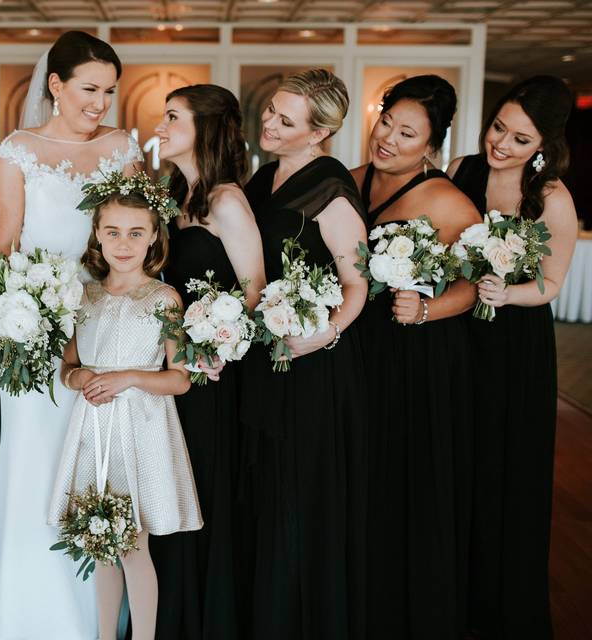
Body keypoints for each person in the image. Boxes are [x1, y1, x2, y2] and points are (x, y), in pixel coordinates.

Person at [0, 31, 141, 639]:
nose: (100, 102)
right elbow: (5, 249)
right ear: (55, 85)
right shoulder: (17, 151)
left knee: (101, 470)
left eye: (109, 91)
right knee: (32, 466)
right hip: (38, 327)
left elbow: (136, 235)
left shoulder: (120, 147)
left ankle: (95, 622)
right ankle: (28, 618)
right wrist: (24, 314)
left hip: (108, 325)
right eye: (89, 88)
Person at [240, 68, 369, 640]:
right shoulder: (263, 177)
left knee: (300, 488)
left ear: (318, 134)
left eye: (285, 121)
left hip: (312, 361)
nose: (268, 122)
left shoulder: (333, 189)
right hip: (262, 357)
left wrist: (327, 332)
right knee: (264, 482)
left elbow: (359, 282)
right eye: (270, 110)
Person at [350, 74, 480, 640]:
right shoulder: (350, 180)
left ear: (430, 146)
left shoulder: (446, 200)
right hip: (351, 353)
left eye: (407, 133)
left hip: (408, 362)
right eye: (386, 121)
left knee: (394, 487)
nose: (389, 139)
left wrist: (426, 311)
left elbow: (475, 285)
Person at [448, 75, 577, 640]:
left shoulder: (550, 197)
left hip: (516, 346)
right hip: (458, 337)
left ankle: (504, 609)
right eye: (499, 126)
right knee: (457, 464)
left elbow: (551, 283)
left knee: (507, 472)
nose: (501, 143)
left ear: (544, 145)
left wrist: (507, 293)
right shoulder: (461, 171)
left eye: (520, 139)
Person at [49, 173, 202, 640]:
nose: (123, 243)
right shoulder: (85, 295)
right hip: (94, 430)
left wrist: (129, 377)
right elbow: (68, 364)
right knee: (100, 542)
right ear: (96, 233)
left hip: (141, 429)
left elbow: (181, 379)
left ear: (154, 235)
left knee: (134, 544)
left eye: (136, 232)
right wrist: (80, 377)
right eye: (112, 231)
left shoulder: (163, 299)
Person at [149, 84, 264, 640]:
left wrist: (212, 346)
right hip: (171, 368)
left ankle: (204, 621)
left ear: (206, 129)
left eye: (173, 117)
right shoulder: (173, 194)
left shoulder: (226, 201)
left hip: (213, 375)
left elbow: (255, 292)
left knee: (201, 489)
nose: (162, 125)